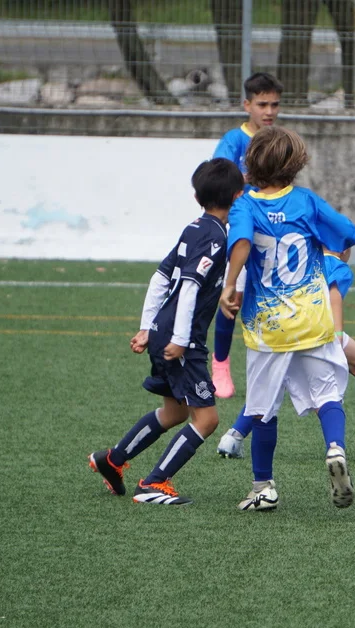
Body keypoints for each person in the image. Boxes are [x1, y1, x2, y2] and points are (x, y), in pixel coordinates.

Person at [219, 126, 355, 512]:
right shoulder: (306, 201)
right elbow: (347, 234)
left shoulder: (245, 205)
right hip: (313, 320)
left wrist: (230, 284)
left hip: (268, 327)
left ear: (251, 163)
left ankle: (263, 487)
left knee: (262, 408)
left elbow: (242, 242)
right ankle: (335, 448)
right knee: (328, 393)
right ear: (297, 163)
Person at [88, 158, 244, 505]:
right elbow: (188, 285)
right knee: (207, 419)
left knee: (175, 413)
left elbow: (160, 277)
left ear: (196, 197)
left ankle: (112, 460)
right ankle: (154, 483)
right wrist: (180, 340)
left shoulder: (194, 228)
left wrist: (148, 327)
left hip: (163, 330)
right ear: (238, 196)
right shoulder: (215, 237)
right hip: (181, 340)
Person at [215, 246, 355, 462]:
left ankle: (233, 436)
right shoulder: (336, 265)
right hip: (318, 331)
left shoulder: (304, 259)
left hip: (283, 329)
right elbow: (334, 296)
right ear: (344, 249)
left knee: (272, 386)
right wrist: (337, 335)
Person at [209, 72, 284, 399]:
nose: (269, 111)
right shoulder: (234, 140)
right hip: (241, 229)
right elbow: (218, 179)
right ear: (247, 105)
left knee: (274, 298)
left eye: (274, 105)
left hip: (274, 230)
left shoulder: (279, 139)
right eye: (262, 104)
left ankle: (276, 366)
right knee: (233, 299)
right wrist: (251, 176)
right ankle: (220, 364)